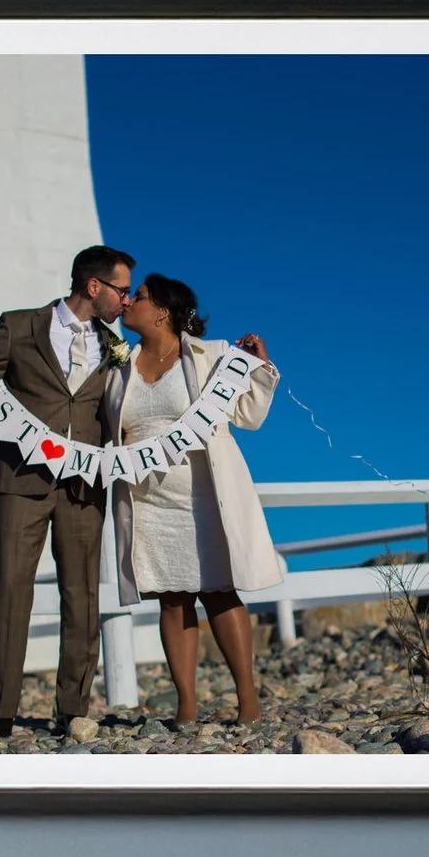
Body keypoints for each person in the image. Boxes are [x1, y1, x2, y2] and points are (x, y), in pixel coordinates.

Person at [0, 244, 134, 742]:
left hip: (85, 484)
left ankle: (73, 709)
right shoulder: (19, 326)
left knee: (81, 594)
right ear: (93, 287)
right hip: (21, 477)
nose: (126, 301)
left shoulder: (115, 347)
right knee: (12, 586)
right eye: (122, 291)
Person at [103, 274, 285, 726]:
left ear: (163, 310)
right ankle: (186, 704)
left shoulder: (213, 355)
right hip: (146, 501)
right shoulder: (119, 365)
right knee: (170, 596)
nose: (128, 303)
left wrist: (261, 370)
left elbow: (249, 416)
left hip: (203, 490)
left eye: (139, 297)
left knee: (219, 590)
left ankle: (247, 697)